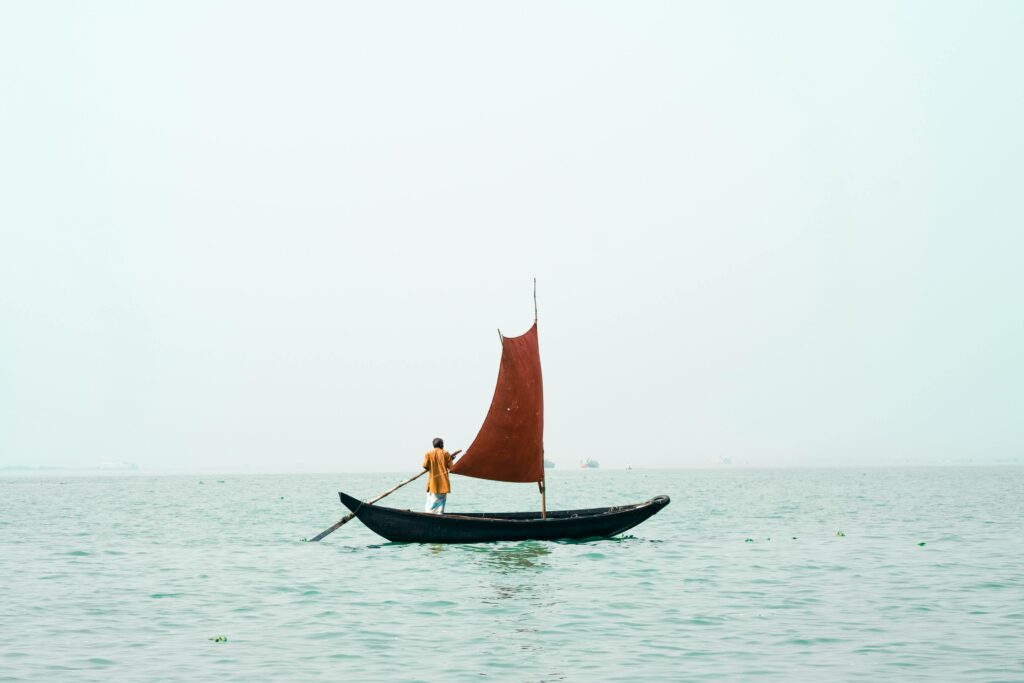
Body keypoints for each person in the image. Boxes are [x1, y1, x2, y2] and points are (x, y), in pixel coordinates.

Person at [422, 437, 454, 514]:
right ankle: (439, 515)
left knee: (431, 501)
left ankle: (429, 516)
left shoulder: (428, 454)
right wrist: (450, 459)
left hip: (432, 483)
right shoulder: (446, 453)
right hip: (443, 484)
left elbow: (425, 466)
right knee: (440, 503)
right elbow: (451, 467)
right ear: (441, 445)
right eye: (443, 444)